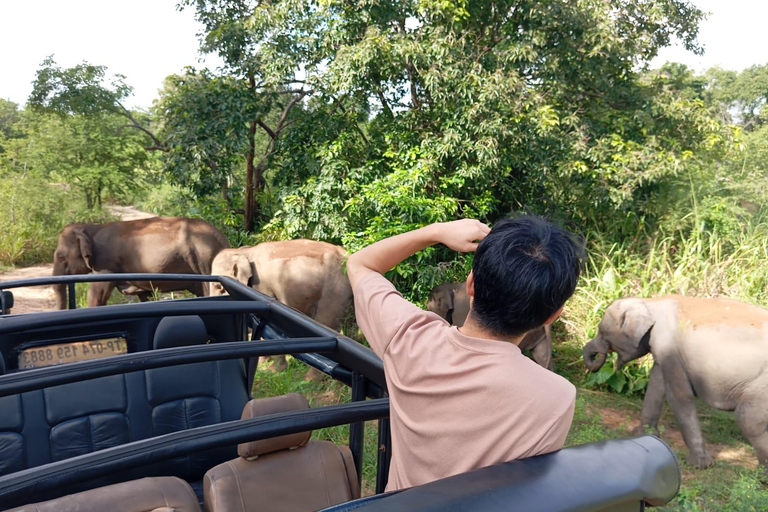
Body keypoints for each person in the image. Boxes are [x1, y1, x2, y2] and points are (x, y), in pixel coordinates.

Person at [346, 215, 585, 491]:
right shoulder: (557, 398)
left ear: (470, 284)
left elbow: (359, 263)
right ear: (553, 316)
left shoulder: (409, 338)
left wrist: (434, 231)